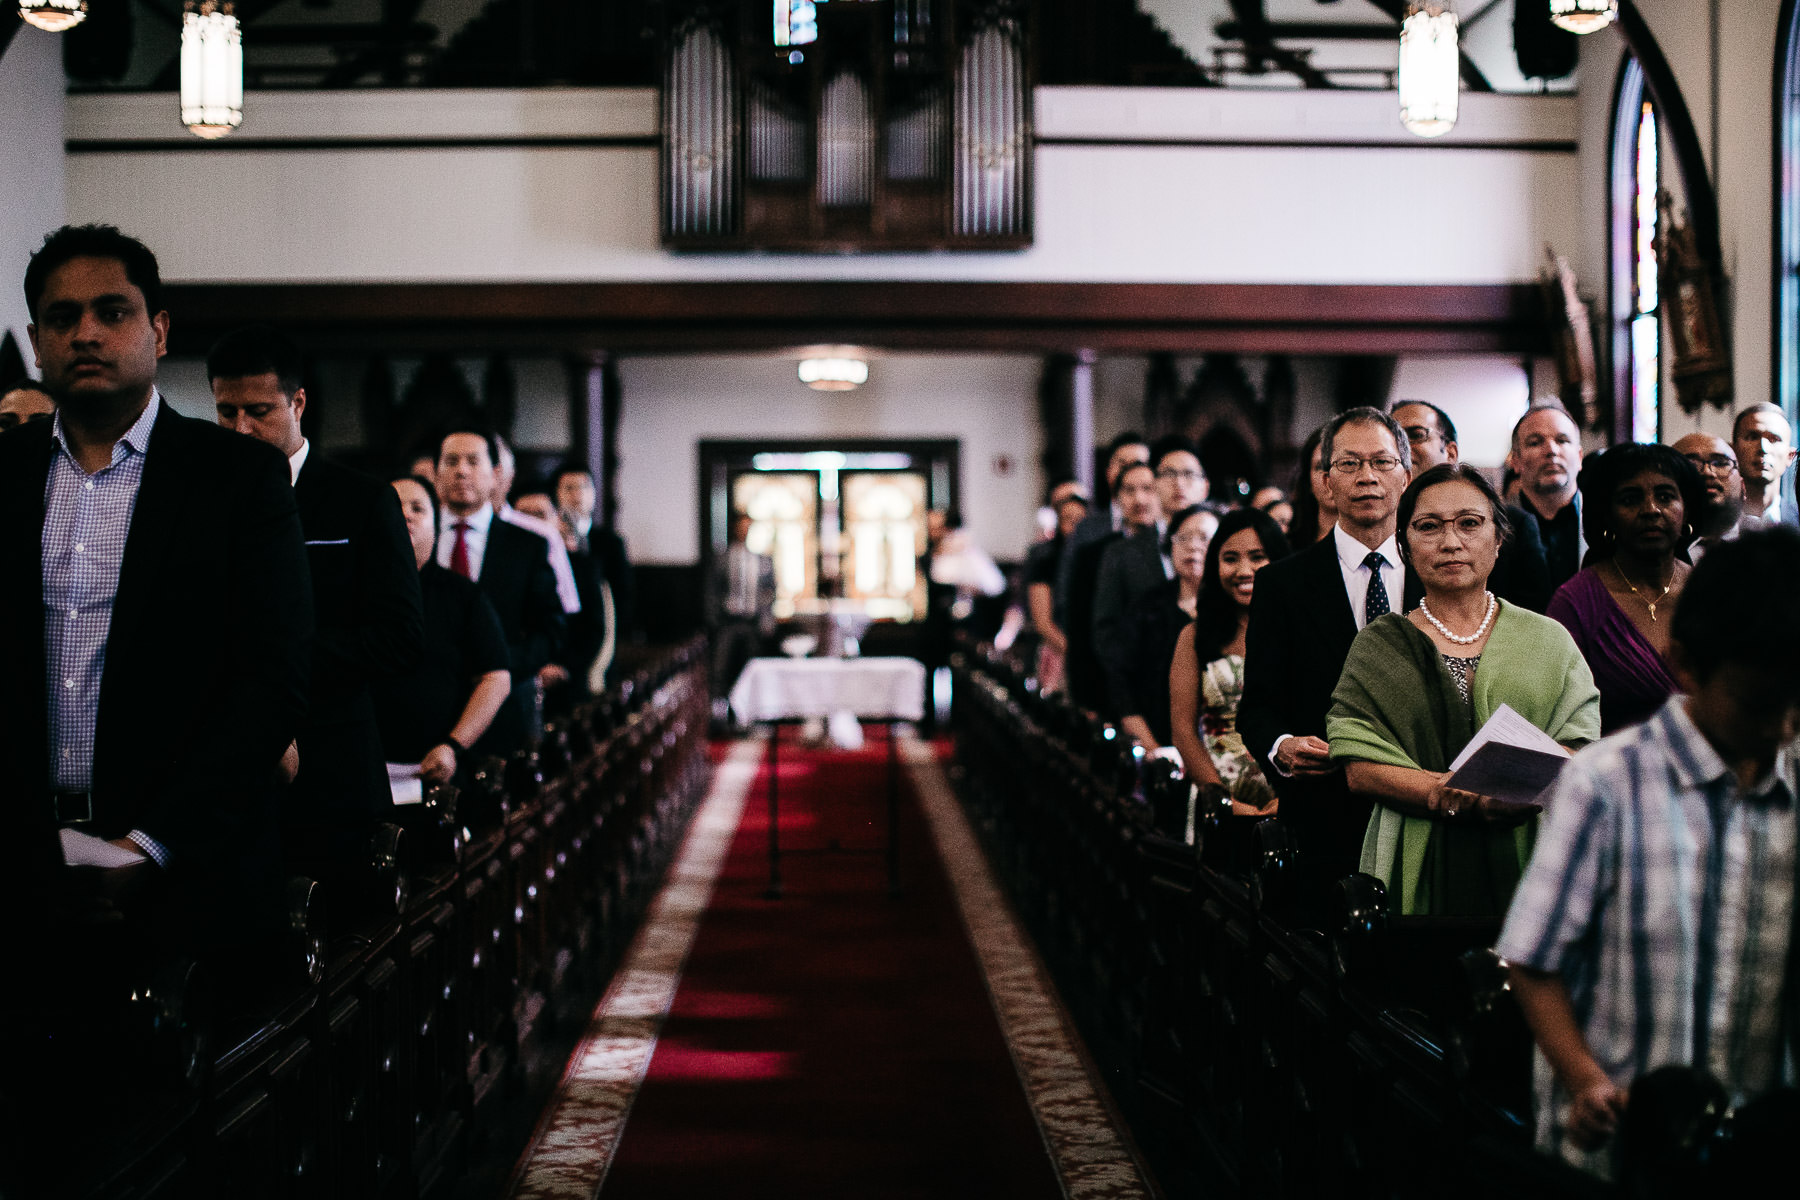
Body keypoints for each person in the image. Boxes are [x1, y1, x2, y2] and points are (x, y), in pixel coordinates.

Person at [0, 224, 311, 952]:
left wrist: (152, 843)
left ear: (159, 330)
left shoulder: (237, 478)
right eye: (61, 317)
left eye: (113, 312)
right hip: (20, 866)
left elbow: (271, 684)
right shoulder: (5, 473)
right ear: (36, 340)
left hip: (188, 872)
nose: (85, 334)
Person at [1499, 528, 1800, 1180]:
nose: (1781, 729)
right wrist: (1584, 1079)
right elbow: (1531, 958)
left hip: (1755, 1144)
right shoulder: (1606, 783)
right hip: (1617, 1142)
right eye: (1758, 705)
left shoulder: (1792, 781)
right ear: (1687, 666)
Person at [1326, 465, 1601, 917]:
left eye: (1470, 524)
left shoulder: (1548, 639)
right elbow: (1360, 764)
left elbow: (1579, 745)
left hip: (1532, 845)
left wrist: (1513, 791)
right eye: (1428, 527)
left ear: (1498, 540)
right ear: (1405, 546)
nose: (1450, 542)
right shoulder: (1380, 644)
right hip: (1415, 843)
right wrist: (1445, 793)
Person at [208, 325, 425, 877]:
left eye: (258, 410)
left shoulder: (362, 499)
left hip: (333, 761)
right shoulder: (202, 500)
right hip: (223, 771)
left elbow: (399, 638)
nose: (240, 428)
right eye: (225, 412)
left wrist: (275, 664)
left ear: (297, 402)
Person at [1239, 407, 1421, 905]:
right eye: (1349, 464)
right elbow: (1256, 706)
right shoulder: (1283, 584)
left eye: (1382, 462)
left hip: (1425, 811)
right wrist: (1280, 746)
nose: (1367, 476)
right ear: (1324, 482)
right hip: (1324, 814)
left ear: (1406, 478)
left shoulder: (1441, 574)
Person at [1547, 443, 1704, 735]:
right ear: (1606, 516)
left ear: (1686, 510)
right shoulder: (1576, 603)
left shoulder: (1713, 592)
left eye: (1666, 496)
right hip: (1613, 772)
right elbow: (1558, 717)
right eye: (1631, 499)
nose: (1651, 510)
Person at [372, 476, 512, 787]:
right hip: (364, 769)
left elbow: (496, 678)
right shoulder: (352, 590)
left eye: (417, 508)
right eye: (395, 507)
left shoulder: (462, 596)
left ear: (436, 528)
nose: (405, 514)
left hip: (439, 768)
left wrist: (453, 744)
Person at [436, 426, 566, 755]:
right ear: (437, 473)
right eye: (451, 461)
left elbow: (549, 630)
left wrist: (500, 666)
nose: (461, 470)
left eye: (472, 461)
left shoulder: (527, 545)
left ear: (495, 475)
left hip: (507, 710)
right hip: (429, 707)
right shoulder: (416, 540)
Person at [1169, 508, 1290, 817]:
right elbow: (1183, 729)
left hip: (1291, 795)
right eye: (1231, 558)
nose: (1244, 570)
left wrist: (1291, 799)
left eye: (1257, 556)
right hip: (1219, 802)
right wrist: (1225, 802)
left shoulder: (1298, 629)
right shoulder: (1195, 635)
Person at [1391, 399, 1551, 611]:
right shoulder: (1382, 526)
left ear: (1450, 453)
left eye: (1416, 434)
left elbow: (1534, 616)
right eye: (1394, 440)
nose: (1401, 449)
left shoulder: (1515, 526)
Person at [1092, 435, 1210, 713]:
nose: (1179, 483)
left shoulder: (1225, 545)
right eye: (1168, 474)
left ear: (1205, 486)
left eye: (1188, 474)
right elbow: (1105, 633)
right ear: (1154, 484)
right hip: (1146, 699)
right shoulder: (1121, 553)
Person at [1064, 458, 1160, 710]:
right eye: (1129, 490)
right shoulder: (1094, 554)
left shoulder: (1174, 549)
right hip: (1108, 685)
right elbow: (1081, 627)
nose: (1140, 499)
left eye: (1148, 489)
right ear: (1116, 499)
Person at [1114, 504, 1211, 750]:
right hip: (1158, 746)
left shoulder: (1240, 611)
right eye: (1183, 538)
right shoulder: (1145, 608)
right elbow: (1122, 688)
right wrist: (1155, 751)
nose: (1192, 546)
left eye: (1204, 537)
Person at [517, 488, 608, 696]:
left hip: (568, 679)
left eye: (540, 514)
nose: (532, 523)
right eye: (523, 514)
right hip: (518, 678)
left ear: (556, 520)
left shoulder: (583, 566)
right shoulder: (505, 566)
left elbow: (593, 628)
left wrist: (565, 667)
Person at [1054, 430, 1151, 620]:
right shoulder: (1086, 529)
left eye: (1139, 464)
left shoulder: (1163, 527)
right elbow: (1066, 594)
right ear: (1108, 472)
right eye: (1122, 464)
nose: (1129, 472)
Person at [555, 462, 637, 652]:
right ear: (557, 493)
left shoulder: (610, 542)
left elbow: (623, 594)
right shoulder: (549, 539)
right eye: (569, 488)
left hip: (602, 636)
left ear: (593, 493)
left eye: (584, 487)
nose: (577, 495)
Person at [1508, 403, 1587, 594]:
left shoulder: (1605, 520)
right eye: (1535, 442)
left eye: (1562, 440)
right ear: (1516, 461)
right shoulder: (1498, 525)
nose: (1551, 451)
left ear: (1579, 457)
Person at [1024, 478, 1088, 694]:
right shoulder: (1045, 558)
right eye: (1068, 520)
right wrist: (1077, 653)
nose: (1075, 526)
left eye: (1080, 520)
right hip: (1059, 650)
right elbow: (1043, 623)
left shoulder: (1099, 557)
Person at [712, 512, 777, 712]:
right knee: (721, 669)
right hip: (728, 622)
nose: (744, 530)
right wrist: (714, 620)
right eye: (741, 526)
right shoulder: (722, 558)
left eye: (748, 527)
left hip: (752, 622)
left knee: (750, 670)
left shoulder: (762, 559)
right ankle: (722, 714)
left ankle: (749, 712)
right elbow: (712, 591)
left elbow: (771, 591)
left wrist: (766, 618)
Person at [1671, 432, 1745, 561]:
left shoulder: (1768, 545)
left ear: (1743, 487)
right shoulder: (1649, 552)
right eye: (1691, 464)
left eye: (1720, 463)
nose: (1707, 472)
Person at [1731, 402, 1797, 528]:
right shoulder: (1712, 526)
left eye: (1774, 439)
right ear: (1733, 452)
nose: (1763, 448)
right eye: (1752, 437)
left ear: (1790, 456)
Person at [1285, 426, 1336, 546]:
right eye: (1320, 467)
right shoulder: (1288, 547)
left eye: (1341, 464)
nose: (1330, 475)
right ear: (1308, 480)